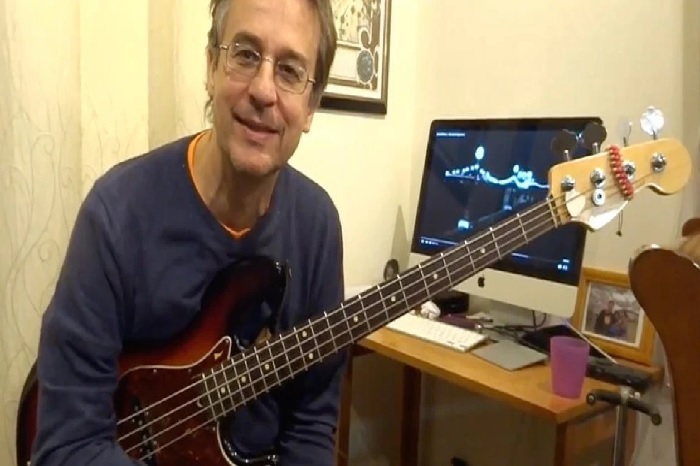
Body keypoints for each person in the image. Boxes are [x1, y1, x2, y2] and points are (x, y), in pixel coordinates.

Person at [30, 0, 347, 465]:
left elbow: (311, 425)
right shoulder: (116, 214)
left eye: (290, 71)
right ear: (211, 67)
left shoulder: (318, 226)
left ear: (312, 105)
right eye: (245, 54)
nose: (263, 90)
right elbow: (66, 445)